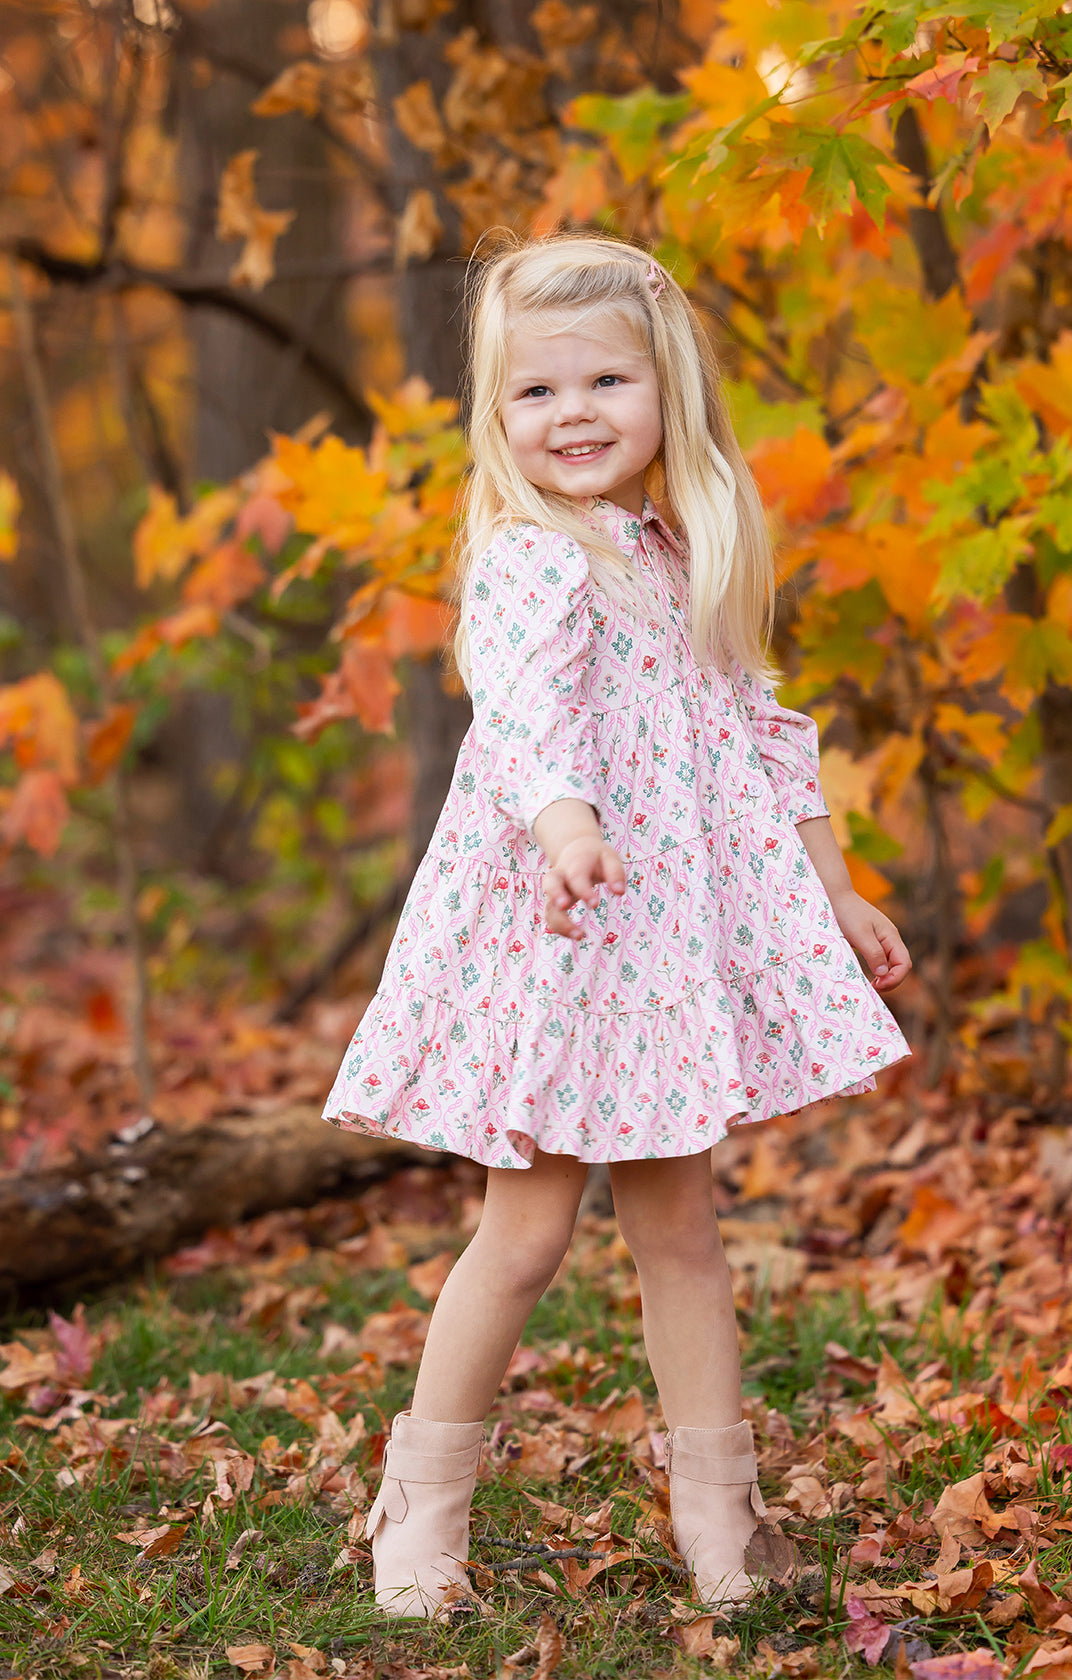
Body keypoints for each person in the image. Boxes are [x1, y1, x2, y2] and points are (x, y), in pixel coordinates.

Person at [322, 232, 912, 1618]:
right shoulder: (534, 560)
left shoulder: (679, 551)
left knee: (683, 1234)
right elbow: (521, 710)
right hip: (568, 934)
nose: (572, 414)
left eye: (603, 381)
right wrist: (565, 821)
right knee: (522, 1237)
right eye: (536, 393)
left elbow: (764, 731)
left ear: (665, 396)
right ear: (496, 416)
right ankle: (419, 1510)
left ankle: (723, 1520)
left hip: (666, 956)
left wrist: (834, 886)